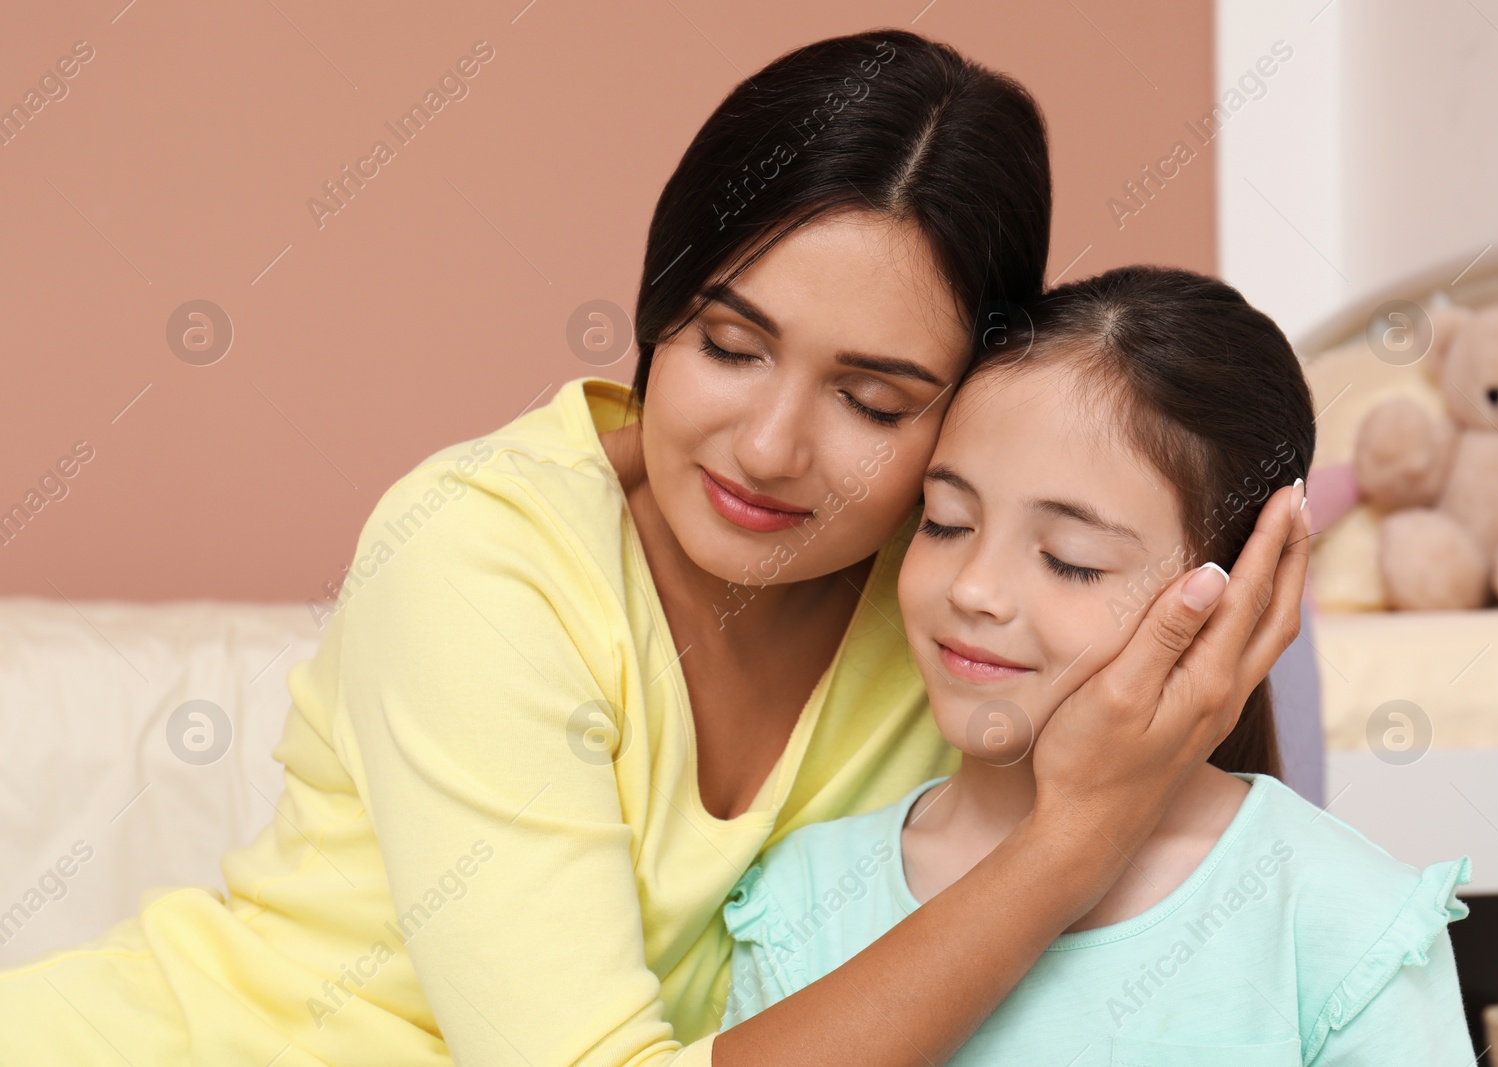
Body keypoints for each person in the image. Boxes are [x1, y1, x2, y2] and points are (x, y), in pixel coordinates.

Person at [0, 32, 1309, 1067]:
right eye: (727, 345)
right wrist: (1072, 840)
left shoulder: (960, 602)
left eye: (874, 400)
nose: (770, 445)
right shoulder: (480, 552)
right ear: (657, 310)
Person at [720, 267, 1475, 1064]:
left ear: (1240, 592)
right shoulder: (804, 901)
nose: (974, 588)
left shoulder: (1337, 917)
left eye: (1071, 560)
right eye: (945, 523)